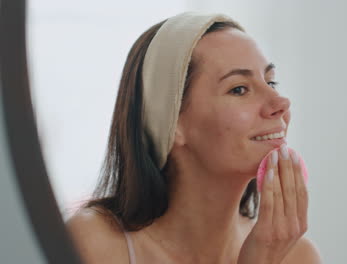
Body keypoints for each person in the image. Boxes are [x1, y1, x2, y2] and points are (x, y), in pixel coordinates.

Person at [66, 11, 322, 264]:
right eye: (239, 89)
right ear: (172, 122)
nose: (281, 103)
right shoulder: (94, 245)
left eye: (271, 82)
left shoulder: (297, 257)